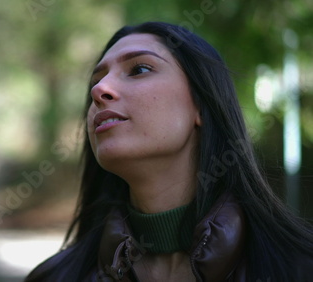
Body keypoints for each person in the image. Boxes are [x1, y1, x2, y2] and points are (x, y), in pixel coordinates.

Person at [24, 21, 313, 281]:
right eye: (95, 81)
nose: (100, 89)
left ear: (201, 104)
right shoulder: (53, 278)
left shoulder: (298, 268)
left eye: (139, 69)